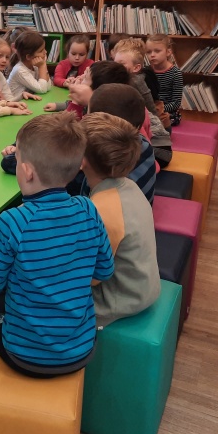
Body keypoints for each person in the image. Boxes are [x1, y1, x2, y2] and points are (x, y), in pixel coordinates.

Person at [0, 113, 114, 378]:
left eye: (17, 161)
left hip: (24, 357)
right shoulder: (88, 208)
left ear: (27, 171)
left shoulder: (11, 222)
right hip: (82, 350)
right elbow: (104, 271)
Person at [80, 112, 160, 329]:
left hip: (119, 300)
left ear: (82, 161)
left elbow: (90, 277)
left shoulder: (102, 210)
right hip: (141, 287)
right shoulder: (128, 186)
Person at [88, 84, 156, 204]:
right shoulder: (143, 143)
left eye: (87, 113)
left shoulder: (103, 158)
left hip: (107, 212)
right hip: (140, 209)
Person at [113, 40, 173, 167]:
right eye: (114, 63)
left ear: (136, 68)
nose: (115, 68)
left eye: (121, 64)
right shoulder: (127, 80)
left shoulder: (135, 82)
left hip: (158, 148)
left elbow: (151, 111)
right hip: (151, 138)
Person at [0, 37, 41, 102]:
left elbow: (8, 99)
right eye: (0, 56)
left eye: (7, 57)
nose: (4, 60)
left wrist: (22, 95)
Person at [147, 34, 183, 126]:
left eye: (157, 51)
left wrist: (159, 109)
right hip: (150, 110)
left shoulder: (175, 73)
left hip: (168, 112)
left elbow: (176, 103)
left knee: (161, 121)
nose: (152, 55)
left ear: (168, 52)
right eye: (149, 52)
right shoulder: (147, 71)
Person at [7, 31, 52, 99]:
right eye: (41, 51)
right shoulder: (20, 70)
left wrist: (43, 66)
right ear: (28, 57)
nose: (45, 52)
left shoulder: (35, 66)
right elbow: (42, 89)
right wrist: (42, 66)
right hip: (16, 102)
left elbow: (48, 87)